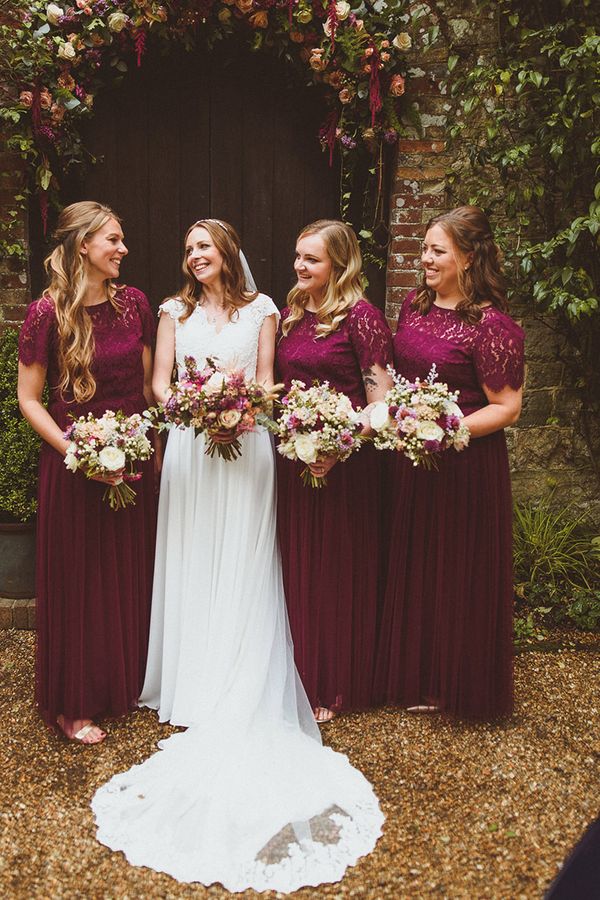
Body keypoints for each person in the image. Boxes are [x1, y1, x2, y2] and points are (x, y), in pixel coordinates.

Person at [91, 219, 384, 892]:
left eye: (204, 246)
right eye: (187, 247)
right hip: (194, 446)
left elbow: (271, 382)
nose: (195, 256)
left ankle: (240, 670)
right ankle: (190, 679)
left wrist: (241, 406)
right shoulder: (170, 312)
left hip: (249, 444)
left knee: (248, 556)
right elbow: (159, 386)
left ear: (227, 252)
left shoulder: (266, 311)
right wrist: (195, 406)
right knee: (193, 552)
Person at [374, 205, 525, 720]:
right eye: (424, 249)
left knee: (456, 570)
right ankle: (417, 674)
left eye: (438, 250)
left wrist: (446, 427)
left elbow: (507, 407)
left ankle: (455, 681)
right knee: (416, 564)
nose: (426, 259)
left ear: (467, 258)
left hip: (465, 468)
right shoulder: (414, 309)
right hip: (413, 464)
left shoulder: (492, 327)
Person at [17, 201, 156, 744]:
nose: (123, 250)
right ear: (83, 247)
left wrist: (154, 449)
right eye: (113, 241)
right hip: (74, 466)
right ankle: (72, 702)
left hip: (133, 462)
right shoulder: (45, 313)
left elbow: (145, 390)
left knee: (127, 575)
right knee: (80, 583)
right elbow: (30, 400)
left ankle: (122, 685)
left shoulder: (135, 304)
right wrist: (80, 451)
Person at [275, 220, 393, 723]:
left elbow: (382, 403)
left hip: (347, 468)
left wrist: (338, 445)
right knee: (300, 567)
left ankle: (337, 680)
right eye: (298, 256)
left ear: (338, 266)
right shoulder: (292, 313)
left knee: (338, 570)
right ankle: (300, 676)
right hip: (295, 463)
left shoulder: (362, 318)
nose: (300, 266)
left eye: (312, 260)